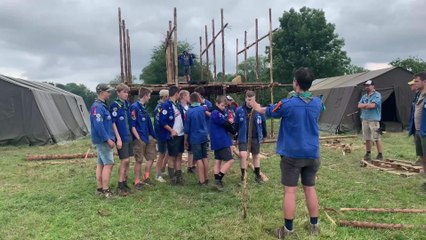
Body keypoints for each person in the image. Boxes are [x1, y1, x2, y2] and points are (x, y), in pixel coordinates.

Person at [251, 67, 322, 237]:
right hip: (312, 154)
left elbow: (268, 112)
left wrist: (255, 106)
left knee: (290, 191)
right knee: (310, 189)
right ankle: (314, 227)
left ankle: (288, 230)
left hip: (292, 155)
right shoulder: (318, 103)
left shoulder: (288, 104)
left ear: (296, 83)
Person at [235, 90, 267, 184]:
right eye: (248, 100)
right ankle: (243, 176)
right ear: (245, 99)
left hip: (255, 136)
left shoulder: (259, 109)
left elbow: (263, 123)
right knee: (243, 155)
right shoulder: (240, 110)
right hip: (243, 136)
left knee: (256, 156)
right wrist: (234, 136)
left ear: (255, 99)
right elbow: (236, 125)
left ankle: (257, 175)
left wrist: (264, 135)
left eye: (252, 100)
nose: (250, 102)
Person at [90, 83, 116, 198]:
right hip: (103, 141)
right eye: (108, 92)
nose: (109, 94)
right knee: (108, 164)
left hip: (101, 140)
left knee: (100, 164)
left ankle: (100, 188)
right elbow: (98, 125)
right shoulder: (98, 107)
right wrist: (108, 139)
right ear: (102, 92)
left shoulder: (101, 106)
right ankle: (106, 190)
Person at [130, 87, 157, 190]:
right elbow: (132, 126)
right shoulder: (135, 107)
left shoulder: (144, 107)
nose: (149, 98)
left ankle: (146, 176)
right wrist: (138, 139)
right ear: (145, 95)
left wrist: (153, 137)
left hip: (147, 137)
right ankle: (137, 181)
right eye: (149, 95)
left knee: (151, 157)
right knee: (139, 160)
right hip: (139, 139)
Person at [210, 96, 237, 191]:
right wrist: (234, 131)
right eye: (222, 105)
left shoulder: (219, 112)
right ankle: (218, 179)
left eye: (224, 106)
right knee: (230, 160)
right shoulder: (216, 113)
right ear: (216, 104)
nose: (223, 107)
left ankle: (217, 181)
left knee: (218, 160)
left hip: (218, 140)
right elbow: (224, 123)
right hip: (221, 140)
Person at [110, 83, 133, 196]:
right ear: (118, 93)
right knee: (124, 160)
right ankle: (120, 184)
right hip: (122, 137)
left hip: (129, 136)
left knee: (128, 160)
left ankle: (125, 182)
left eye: (127, 92)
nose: (126, 94)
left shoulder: (127, 104)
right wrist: (118, 139)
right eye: (124, 92)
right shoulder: (115, 105)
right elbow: (113, 123)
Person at [159, 86, 185, 185]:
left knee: (179, 155)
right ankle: (172, 177)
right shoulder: (166, 105)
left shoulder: (178, 105)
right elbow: (162, 121)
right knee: (172, 156)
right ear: (176, 94)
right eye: (179, 93)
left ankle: (179, 176)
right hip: (173, 135)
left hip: (181, 134)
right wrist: (171, 130)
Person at [184, 92, 210, 186]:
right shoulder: (203, 109)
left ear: (190, 100)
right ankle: (206, 177)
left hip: (195, 137)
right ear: (199, 99)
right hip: (204, 135)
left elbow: (187, 128)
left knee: (198, 159)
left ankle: (201, 180)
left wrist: (185, 140)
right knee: (205, 157)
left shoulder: (189, 112)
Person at [408, 72, 426, 191]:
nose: (414, 83)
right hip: (418, 131)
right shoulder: (418, 95)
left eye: (417, 81)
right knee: (422, 157)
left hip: (425, 131)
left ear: (425, 82)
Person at [358, 80, 383, 161]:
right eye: (365, 85)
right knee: (367, 137)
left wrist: (364, 105)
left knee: (376, 137)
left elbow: (373, 105)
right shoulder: (364, 96)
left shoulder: (377, 95)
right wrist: (367, 105)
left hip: (374, 120)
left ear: (373, 86)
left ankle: (380, 154)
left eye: (368, 85)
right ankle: (368, 153)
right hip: (365, 119)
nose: (366, 87)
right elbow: (358, 105)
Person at [154, 89, 169, 182]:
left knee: (166, 153)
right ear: (164, 97)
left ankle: (162, 169)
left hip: (165, 133)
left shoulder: (164, 106)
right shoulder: (159, 107)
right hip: (161, 134)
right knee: (161, 154)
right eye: (167, 97)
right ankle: (158, 174)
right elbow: (158, 122)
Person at [179, 90, 195, 173]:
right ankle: (178, 168)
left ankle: (190, 166)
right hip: (180, 130)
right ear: (184, 96)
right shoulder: (178, 107)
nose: (189, 97)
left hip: (189, 130)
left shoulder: (190, 107)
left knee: (190, 150)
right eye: (188, 96)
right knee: (180, 150)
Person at [408, 79, 422, 166]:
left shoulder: (422, 95)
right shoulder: (417, 95)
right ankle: (420, 158)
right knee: (417, 142)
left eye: (412, 84)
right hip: (415, 123)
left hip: (421, 125)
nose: (411, 86)